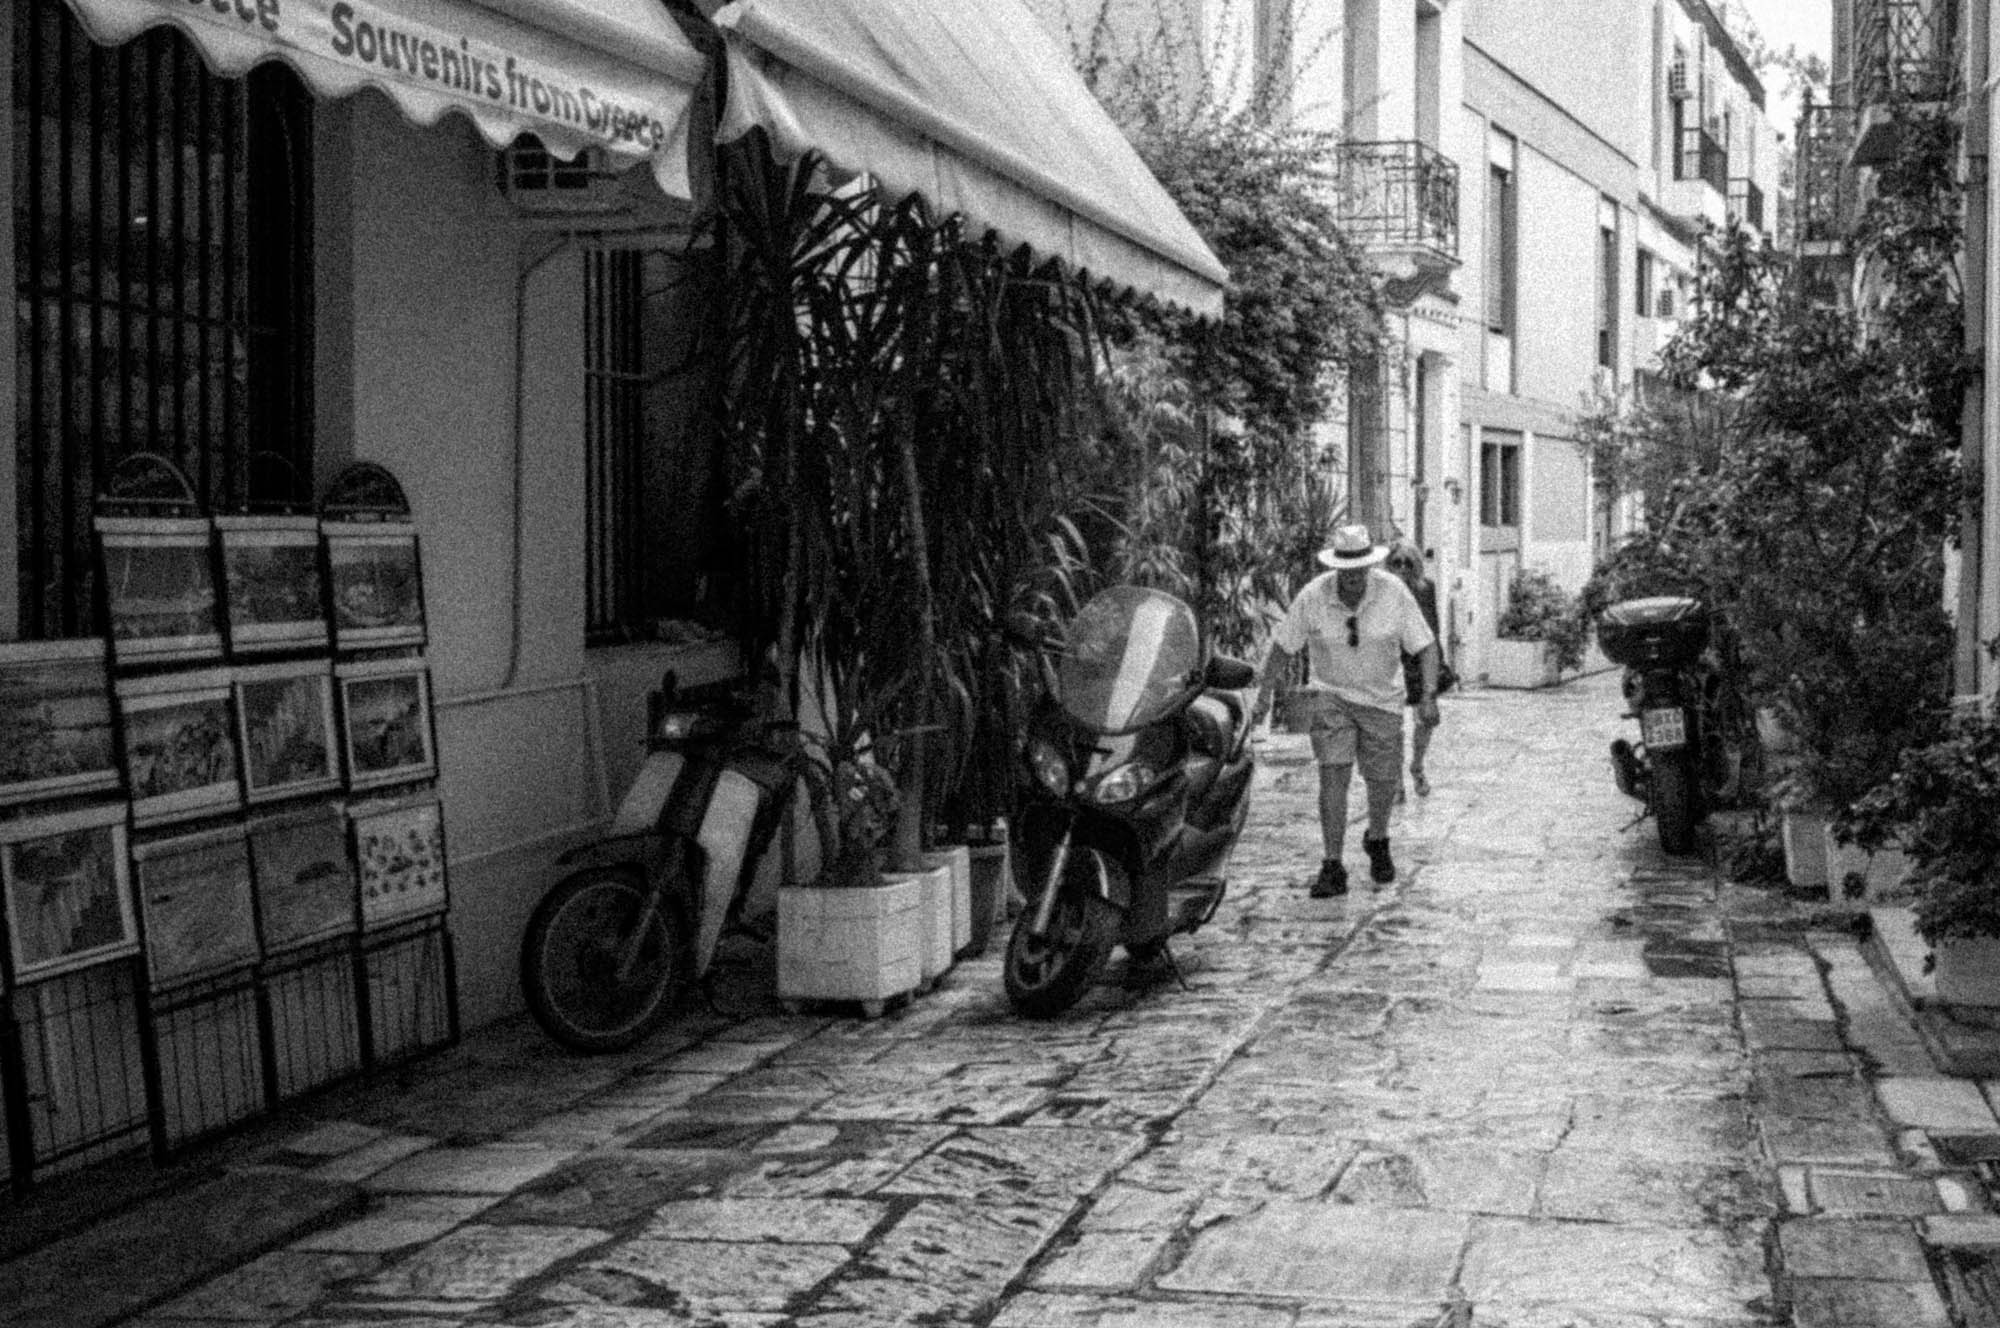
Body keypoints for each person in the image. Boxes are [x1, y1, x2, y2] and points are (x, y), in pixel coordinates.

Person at [1254, 525, 1440, 896]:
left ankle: (1377, 838)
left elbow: (1426, 646)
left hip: (1382, 699)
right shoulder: (1314, 596)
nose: (1353, 578)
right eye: (1346, 570)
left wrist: (1429, 695)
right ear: (1335, 566)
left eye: (1360, 570)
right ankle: (1332, 864)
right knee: (1333, 776)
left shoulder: (1393, 593)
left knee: (1382, 780)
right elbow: (1282, 646)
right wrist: (1263, 695)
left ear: (1370, 565)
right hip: (1332, 696)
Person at [1385, 540, 1444, 799]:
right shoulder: (1382, 592)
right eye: (1396, 562)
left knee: (1425, 720)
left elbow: (1433, 629)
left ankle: (1417, 765)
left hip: (1419, 662)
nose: (1402, 568)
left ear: (1416, 566)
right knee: (1392, 725)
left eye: (1408, 563)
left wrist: (1435, 665)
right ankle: (1396, 778)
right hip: (1392, 663)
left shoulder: (1425, 589)